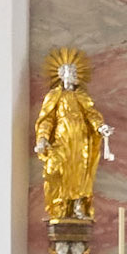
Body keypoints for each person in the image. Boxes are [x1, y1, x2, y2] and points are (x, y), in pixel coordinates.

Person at [33, 51, 112, 221]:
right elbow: (46, 119)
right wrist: (42, 138)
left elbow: (92, 115)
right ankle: (58, 205)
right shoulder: (55, 96)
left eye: (76, 73)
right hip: (61, 139)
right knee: (53, 170)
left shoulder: (81, 96)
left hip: (80, 139)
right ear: (62, 75)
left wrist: (101, 128)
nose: (74, 75)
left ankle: (77, 205)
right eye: (70, 72)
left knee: (79, 172)